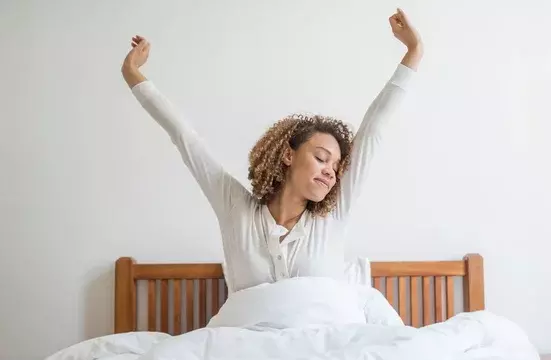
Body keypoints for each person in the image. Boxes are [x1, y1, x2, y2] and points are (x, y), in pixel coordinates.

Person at [121, 8, 423, 293]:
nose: (330, 171)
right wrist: (133, 74)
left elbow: (373, 130)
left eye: (336, 165)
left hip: (324, 344)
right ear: (288, 155)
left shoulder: (333, 215)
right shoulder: (235, 209)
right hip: (248, 344)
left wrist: (414, 52)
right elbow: (185, 138)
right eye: (320, 158)